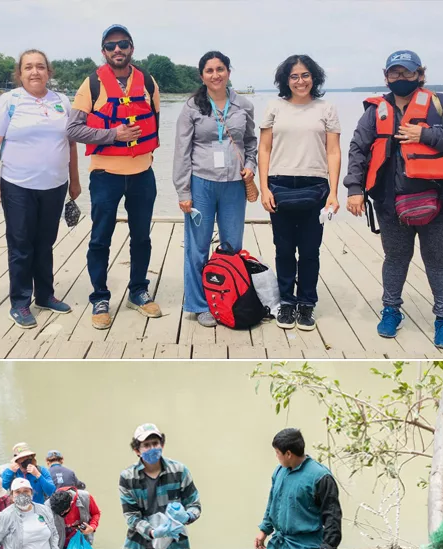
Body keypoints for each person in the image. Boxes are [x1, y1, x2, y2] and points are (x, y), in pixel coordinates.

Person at [345, 50, 443, 350]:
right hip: (391, 203)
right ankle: (391, 310)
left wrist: (425, 135)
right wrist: (354, 189)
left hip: (441, 201)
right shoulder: (375, 111)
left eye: (407, 73)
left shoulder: (441, 104)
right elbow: (358, 150)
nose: (401, 78)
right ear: (386, 76)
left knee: (439, 264)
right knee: (395, 259)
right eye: (395, 73)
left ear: (421, 74)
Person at [66, 24, 162, 331]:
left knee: (142, 236)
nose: (117, 50)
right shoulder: (92, 84)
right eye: (110, 46)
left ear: (132, 47)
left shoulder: (147, 81)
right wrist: (112, 134)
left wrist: (145, 153)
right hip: (105, 175)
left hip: (142, 174)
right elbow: (72, 129)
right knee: (100, 237)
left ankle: (138, 290)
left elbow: (155, 123)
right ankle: (100, 297)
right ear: (104, 52)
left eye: (122, 44)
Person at [0, 49, 80, 329]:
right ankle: (21, 302)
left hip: (55, 185)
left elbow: (71, 143)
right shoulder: (9, 101)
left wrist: (74, 180)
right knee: (21, 245)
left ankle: (45, 295)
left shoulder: (62, 101)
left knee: (45, 243)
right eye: (28, 67)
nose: (35, 72)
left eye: (40, 66)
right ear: (20, 73)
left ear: (49, 72)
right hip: (18, 185)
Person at [173, 51, 257, 329]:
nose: (215, 75)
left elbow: (251, 141)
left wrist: (251, 166)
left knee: (232, 245)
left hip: (234, 184)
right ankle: (198, 304)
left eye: (220, 69)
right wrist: (183, 191)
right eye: (209, 70)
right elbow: (182, 151)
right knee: (197, 247)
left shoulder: (243, 105)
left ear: (228, 72)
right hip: (201, 184)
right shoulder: (192, 107)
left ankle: (228, 296)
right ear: (202, 76)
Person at [260, 55, 341, 332]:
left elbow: (333, 151)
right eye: (294, 76)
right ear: (285, 80)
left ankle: (306, 303)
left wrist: (333, 192)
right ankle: (286, 301)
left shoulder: (326, 108)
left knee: (309, 250)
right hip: (279, 183)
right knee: (283, 250)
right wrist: (264, 188)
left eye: (305, 75)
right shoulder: (274, 107)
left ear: (314, 77)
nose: (300, 81)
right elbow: (265, 149)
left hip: (315, 185)